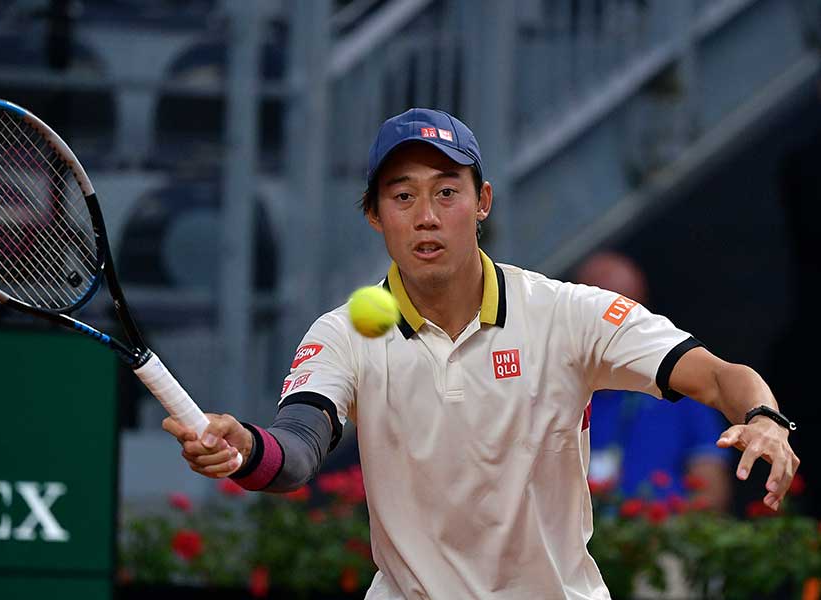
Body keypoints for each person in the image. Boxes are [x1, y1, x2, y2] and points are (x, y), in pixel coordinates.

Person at [162, 108, 800, 599]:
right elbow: (297, 450)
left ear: (483, 202)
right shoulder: (344, 335)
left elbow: (719, 376)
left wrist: (766, 421)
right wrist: (242, 447)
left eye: (447, 191)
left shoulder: (567, 313)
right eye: (402, 195)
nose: (427, 216)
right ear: (375, 216)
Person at [574, 251, 731, 511]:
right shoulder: (550, 386)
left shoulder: (681, 386)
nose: (617, 328)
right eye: (603, 316)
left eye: (629, 314)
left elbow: (711, 490)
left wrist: (659, 543)